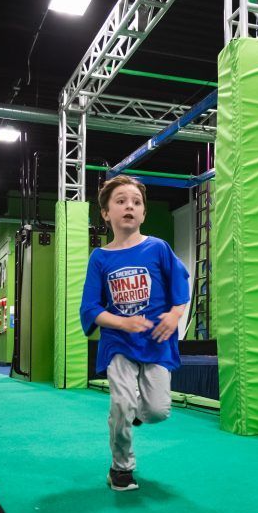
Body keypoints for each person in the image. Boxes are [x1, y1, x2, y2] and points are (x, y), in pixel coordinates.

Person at [80, 176, 189, 492]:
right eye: (121, 201)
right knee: (121, 406)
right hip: (119, 343)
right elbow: (90, 309)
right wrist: (121, 322)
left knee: (156, 412)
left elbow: (180, 287)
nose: (129, 206)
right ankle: (121, 468)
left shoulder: (158, 248)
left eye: (136, 202)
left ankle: (137, 413)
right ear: (105, 213)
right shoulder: (100, 258)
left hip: (156, 342)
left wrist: (174, 314)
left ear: (143, 214)